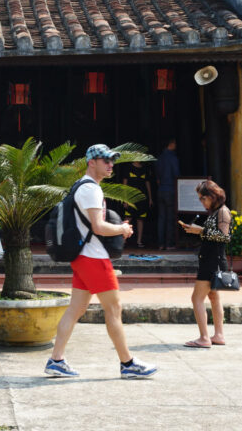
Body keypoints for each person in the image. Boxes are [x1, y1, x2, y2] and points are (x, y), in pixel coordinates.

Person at [44, 144, 158, 380]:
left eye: (111, 161)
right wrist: (123, 229)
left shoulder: (81, 186)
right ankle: (127, 363)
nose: (110, 165)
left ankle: (56, 360)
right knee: (114, 309)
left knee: (75, 309)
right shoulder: (91, 189)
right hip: (93, 257)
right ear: (91, 162)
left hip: (82, 256)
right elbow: (98, 226)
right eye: (105, 160)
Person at [179, 180, 230, 348]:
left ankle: (204, 337)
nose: (201, 202)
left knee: (197, 298)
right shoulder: (216, 212)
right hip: (212, 259)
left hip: (212, 261)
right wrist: (197, 231)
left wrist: (200, 230)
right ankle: (218, 335)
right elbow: (213, 235)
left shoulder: (222, 212)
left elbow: (224, 236)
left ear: (211, 197)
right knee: (213, 297)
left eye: (202, 198)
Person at [154, 139, 180, 250]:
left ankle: (160, 244)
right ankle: (169, 244)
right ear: (171, 144)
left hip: (160, 190)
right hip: (170, 189)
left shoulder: (159, 158)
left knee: (161, 218)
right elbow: (176, 175)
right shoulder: (173, 158)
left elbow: (157, 176)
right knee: (170, 218)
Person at [122, 161, 152, 248]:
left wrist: (150, 198)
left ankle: (139, 241)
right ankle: (123, 240)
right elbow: (124, 183)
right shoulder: (128, 167)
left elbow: (147, 183)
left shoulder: (144, 168)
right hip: (130, 198)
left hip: (142, 199)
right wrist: (125, 199)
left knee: (140, 219)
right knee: (128, 218)